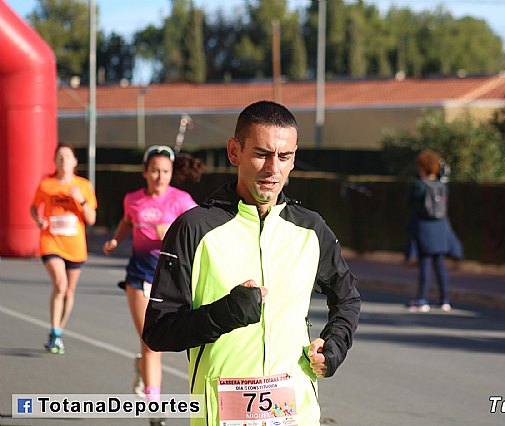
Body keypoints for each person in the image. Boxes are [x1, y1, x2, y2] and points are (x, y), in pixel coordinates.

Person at [142, 100, 361, 426]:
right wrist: (224, 313)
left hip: (295, 414)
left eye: (284, 156)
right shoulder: (194, 229)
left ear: (293, 159)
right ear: (235, 152)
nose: (273, 168)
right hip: (220, 414)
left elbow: (347, 299)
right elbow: (159, 332)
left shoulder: (311, 230)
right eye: (261, 154)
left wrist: (333, 348)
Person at [102, 145, 199, 422]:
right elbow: (125, 222)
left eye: (165, 171)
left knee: (167, 342)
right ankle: (153, 405)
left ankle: (142, 368)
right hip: (139, 277)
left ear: (172, 174)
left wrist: (171, 232)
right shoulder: (133, 200)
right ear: (145, 172)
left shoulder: (181, 201)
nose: (160, 176)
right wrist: (115, 240)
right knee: (150, 341)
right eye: (155, 170)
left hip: (172, 279)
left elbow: (200, 231)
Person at [30, 143, 97, 354]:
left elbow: (92, 219)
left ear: (75, 162)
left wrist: (81, 200)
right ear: (55, 161)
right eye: (60, 156)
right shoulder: (46, 185)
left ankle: (57, 332)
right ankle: (55, 331)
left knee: (69, 290)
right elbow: (33, 207)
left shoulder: (84, 185)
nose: (64, 160)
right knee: (60, 284)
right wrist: (38, 219)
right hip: (51, 241)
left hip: (75, 246)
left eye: (68, 156)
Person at [405, 149, 463, 313]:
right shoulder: (442, 186)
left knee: (425, 264)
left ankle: (422, 299)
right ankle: (444, 300)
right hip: (441, 227)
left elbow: (410, 203)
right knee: (440, 264)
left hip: (424, 226)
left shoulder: (418, 186)